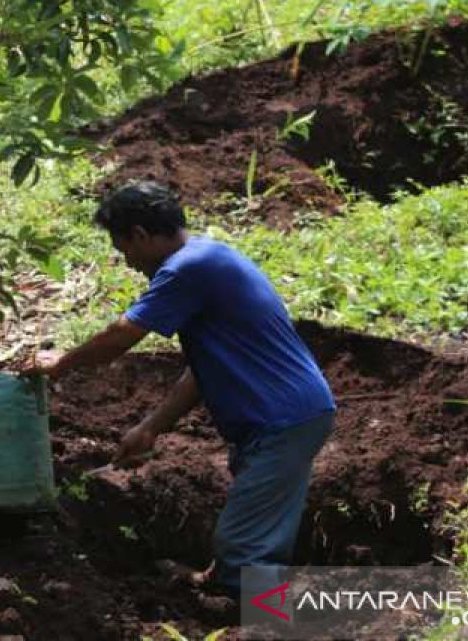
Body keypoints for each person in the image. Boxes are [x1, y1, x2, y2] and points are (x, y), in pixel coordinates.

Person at [26, 181, 335, 597]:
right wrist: (150, 427)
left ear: (139, 235)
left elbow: (121, 337)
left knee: (246, 547)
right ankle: (227, 588)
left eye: (125, 251)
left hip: (282, 418)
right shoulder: (207, 257)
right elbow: (201, 372)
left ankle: (251, 617)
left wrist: (58, 364)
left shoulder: (186, 269)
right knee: (254, 528)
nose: (130, 264)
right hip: (282, 416)